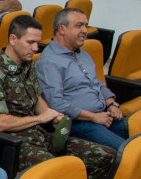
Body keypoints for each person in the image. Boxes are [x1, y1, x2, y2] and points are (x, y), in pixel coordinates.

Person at [0, 15, 115, 179]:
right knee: (59, 171)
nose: (36, 48)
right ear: (13, 39)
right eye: (31, 42)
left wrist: (53, 116)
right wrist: (40, 119)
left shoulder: (26, 65)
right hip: (18, 142)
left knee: (107, 156)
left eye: (37, 42)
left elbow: (37, 99)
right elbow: (0, 123)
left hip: (42, 134)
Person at [36, 8, 128, 150]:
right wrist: (93, 117)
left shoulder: (83, 55)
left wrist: (111, 104)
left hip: (103, 116)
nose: (85, 30)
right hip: (78, 123)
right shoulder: (49, 62)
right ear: (62, 29)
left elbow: (98, 85)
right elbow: (57, 103)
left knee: (136, 136)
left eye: (86, 25)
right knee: (128, 152)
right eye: (79, 26)